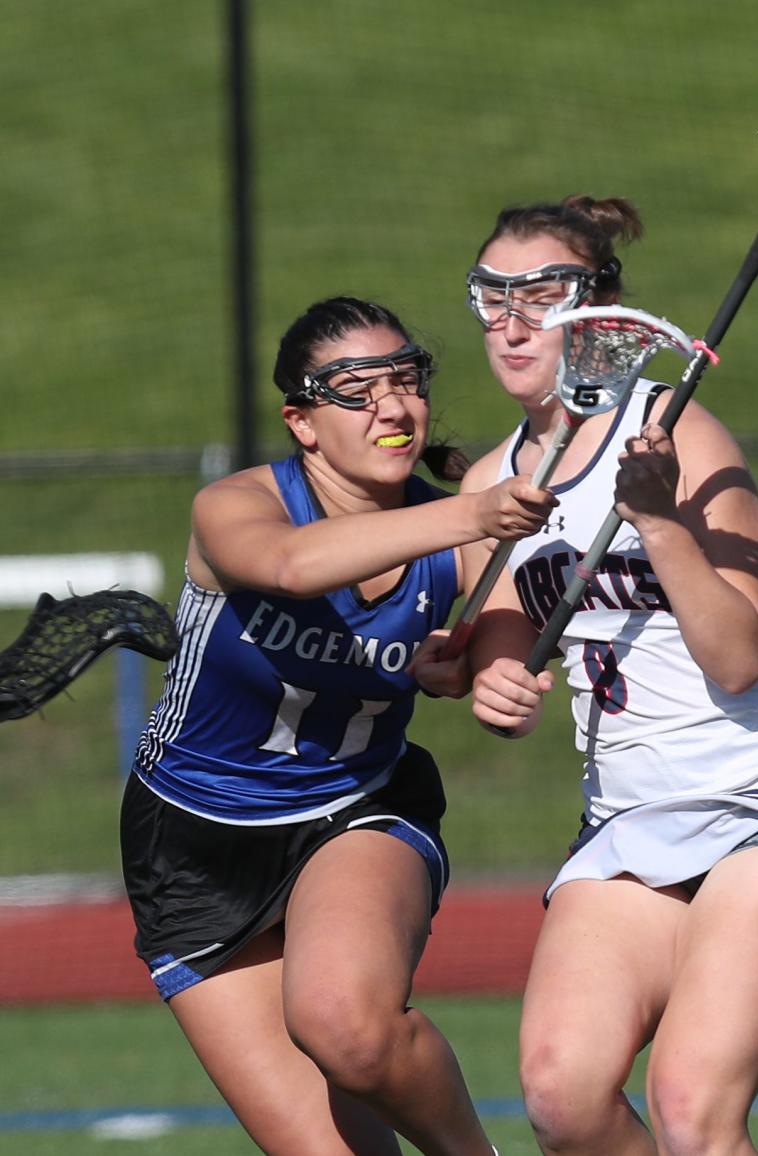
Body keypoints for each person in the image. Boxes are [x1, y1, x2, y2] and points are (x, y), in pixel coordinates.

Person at [417, 196, 758, 1156]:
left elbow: (738, 654)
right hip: (631, 814)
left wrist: (660, 520)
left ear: (598, 315)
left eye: (540, 295)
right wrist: (482, 685)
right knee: (564, 1097)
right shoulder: (487, 491)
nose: (511, 322)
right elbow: (503, 661)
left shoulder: (679, 435)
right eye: (491, 296)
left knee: (692, 1107)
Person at [121, 296, 555, 1156]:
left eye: (405, 381)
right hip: (196, 842)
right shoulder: (239, 507)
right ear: (303, 422)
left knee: (346, 1027)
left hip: (353, 810)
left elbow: (502, 632)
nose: (393, 407)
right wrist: (474, 509)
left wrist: (492, 675)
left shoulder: (461, 536)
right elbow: (291, 566)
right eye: (355, 391)